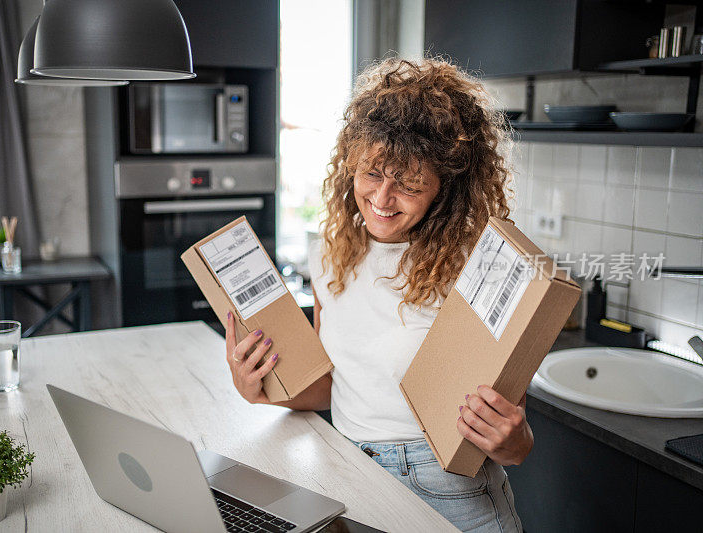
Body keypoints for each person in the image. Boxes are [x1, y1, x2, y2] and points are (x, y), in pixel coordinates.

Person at [224, 57, 530, 532]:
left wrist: (513, 439)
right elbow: (337, 385)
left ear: (444, 187)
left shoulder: (478, 268)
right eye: (372, 174)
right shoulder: (330, 255)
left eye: (408, 184)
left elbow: (514, 440)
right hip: (347, 474)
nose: (383, 199)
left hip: (442, 483)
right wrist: (262, 391)